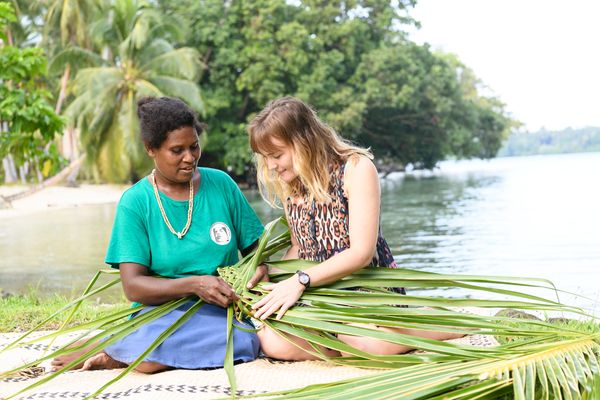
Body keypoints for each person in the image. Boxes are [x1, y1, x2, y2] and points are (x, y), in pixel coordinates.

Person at [52, 96, 265, 373]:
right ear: (150, 149)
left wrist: (259, 271)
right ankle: (125, 350)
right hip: (160, 312)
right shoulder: (136, 202)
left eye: (194, 146)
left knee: (244, 342)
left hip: (218, 313)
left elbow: (258, 253)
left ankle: (122, 351)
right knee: (153, 348)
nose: (190, 158)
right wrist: (195, 285)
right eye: (177, 150)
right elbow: (134, 287)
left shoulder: (222, 185)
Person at [246, 96, 463, 360]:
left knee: (361, 343)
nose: (270, 165)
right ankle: (344, 341)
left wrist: (300, 280)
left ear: (303, 142)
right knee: (272, 343)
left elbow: (362, 252)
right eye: (266, 157)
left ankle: (443, 324)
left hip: (366, 289)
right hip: (321, 293)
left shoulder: (356, 169)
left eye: (277, 155)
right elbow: (299, 247)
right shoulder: (292, 185)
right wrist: (268, 277)